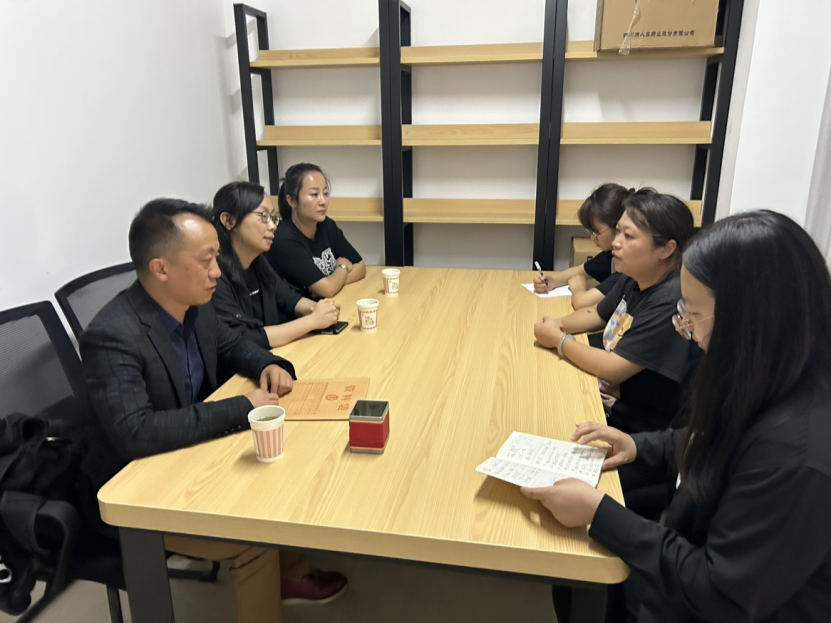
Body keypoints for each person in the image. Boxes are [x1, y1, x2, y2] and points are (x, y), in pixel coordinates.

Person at [522, 210, 831, 623]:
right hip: (681, 545)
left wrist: (600, 514)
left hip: (701, 599)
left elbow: (720, 592)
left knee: (583, 564)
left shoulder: (798, 455)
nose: (689, 331)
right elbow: (708, 436)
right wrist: (638, 445)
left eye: (695, 315)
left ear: (751, 320)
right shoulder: (764, 374)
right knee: (574, 571)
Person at [79, 199, 346, 623]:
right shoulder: (112, 335)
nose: (218, 272)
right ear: (161, 269)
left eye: (217, 258)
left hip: (190, 450)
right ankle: (274, 578)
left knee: (285, 466)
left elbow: (233, 344)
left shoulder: (195, 305)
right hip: (139, 487)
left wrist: (268, 364)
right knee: (253, 537)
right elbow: (136, 432)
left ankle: (291, 575)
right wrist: (243, 407)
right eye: (206, 261)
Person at [533, 190, 698, 435]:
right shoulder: (634, 274)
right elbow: (595, 314)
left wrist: (559, 340)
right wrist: (554, 325)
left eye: (628, 235)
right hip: (611, 401)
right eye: (618, 231)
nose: (616, 243)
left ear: (666, 249)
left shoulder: (670, 298)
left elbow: (613, 368)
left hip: (640, 429)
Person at [211, 181, 341, 350]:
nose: (272, 226)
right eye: (263, 216)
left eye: (273, 218)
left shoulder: (258, 263)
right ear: (229, 221)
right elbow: (243, 338)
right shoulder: (214, 276)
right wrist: (313, 320)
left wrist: (323, 310)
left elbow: (290, 299)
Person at [265, 163, 366, 299]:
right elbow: (327, 290)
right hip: (301, 311)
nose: (323, 201)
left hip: (329, 304)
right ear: (292, 201)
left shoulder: (327, 225)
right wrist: (342, 267)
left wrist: (334, 283)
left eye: (325, 193)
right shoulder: (284, 240)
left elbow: (360, 266)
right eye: (314, 194)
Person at [534, 183, 629, 310]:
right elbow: (582, 270)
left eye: (596, 232)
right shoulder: (611, 256)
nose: (592, 238)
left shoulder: (627, 269)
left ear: (618, 227)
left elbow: (581, 303)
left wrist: (579, 287)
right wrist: (553, 281)